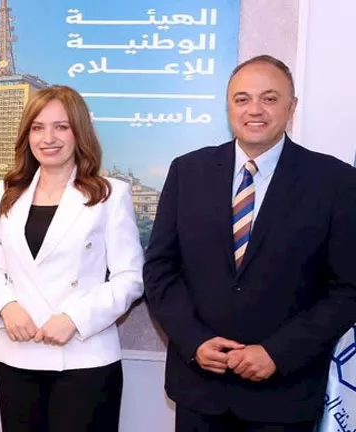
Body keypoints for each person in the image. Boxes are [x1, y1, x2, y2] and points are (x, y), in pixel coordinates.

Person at [144, 54, 356, 431]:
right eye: (242, 99)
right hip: (200, 390)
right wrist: (195, 341)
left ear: (291, 106)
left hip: (284, 395)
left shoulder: (335, 181)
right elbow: (160, 269)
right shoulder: (187, 171)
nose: (254, 109)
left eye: (269, 98)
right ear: (228, 107)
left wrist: (278, 353)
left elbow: (348, 289)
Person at [0, 85, 144, 431]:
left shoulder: (109, 193)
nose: (48, 138)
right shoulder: (6, 192)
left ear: (79, 132)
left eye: (61, 127)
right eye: (37, 127)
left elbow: (131, 277)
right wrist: (7, 307)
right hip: (18, 355)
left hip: (85, 357)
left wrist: (74, 319)